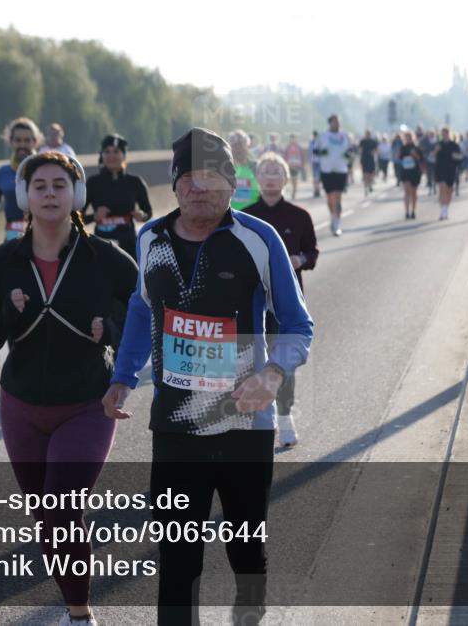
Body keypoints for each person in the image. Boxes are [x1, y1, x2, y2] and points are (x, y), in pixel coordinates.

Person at [102, 127, 313, 626]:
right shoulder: (150, 236)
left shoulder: (258, 239)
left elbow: (297, 322)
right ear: (174, 186)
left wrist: (274, 374)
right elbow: (140, 307)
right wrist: (123, 375)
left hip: (244, 425)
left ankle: (249, 612)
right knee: (177, 563)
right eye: (189, 178)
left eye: (212, 176)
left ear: (232, 182)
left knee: (245, 550)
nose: (200, 188)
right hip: (176, 428)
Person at [0, 151, 137, 626]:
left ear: (77, 195)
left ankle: (80, 615)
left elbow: (144, 308)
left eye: (59, 185)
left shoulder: (105, 257)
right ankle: (73, 600)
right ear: (24, 197)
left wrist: (112, 326)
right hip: (21, 405)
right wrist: (10, 313)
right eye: (38, 185)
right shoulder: (3, 262)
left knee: (64, 511)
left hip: (86, 403)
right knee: (47, 520)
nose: (49, 193)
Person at [243, 152, 318, 447]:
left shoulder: (300, 216)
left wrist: (300, 259)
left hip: (286, 302)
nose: (271, 176)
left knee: (282, 357)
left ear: (286, 178)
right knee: (250, 357)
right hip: (251, 302)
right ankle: (252, 415)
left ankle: (285, 416)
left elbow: (312, 252)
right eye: (265, 171)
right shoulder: (246, 217)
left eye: (277, 171)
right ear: (257, 178)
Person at [83, 134, 153, 259]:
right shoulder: (92, 183)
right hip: (101, 245)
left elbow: (148, 212)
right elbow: (76, 217)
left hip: (129, 245)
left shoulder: (135, 182)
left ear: (124, 155)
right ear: (101, 155)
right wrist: (94, 216)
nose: (111, 156)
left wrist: (142, 216)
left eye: (116, 151)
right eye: (107, 152)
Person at [0, 117, 42, 241]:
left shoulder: (46, 169)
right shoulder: (3, 173)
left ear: (35, 142)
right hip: (13, 234)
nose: (22, 145)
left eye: (27, 140)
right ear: (10, 141)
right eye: (18, 140)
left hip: (44, 235)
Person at [315, 114, 351, 235]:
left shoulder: (345, 136)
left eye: (339, 121)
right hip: (327, 170)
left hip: (341, 170)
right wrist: (321, 155)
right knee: (330, 197)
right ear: (329, 123)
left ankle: (337, 223)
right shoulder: (323, 137)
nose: (337, 124)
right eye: (335, 122)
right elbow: (315, 152)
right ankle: (333, 216)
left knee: (338, 196)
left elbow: (351, 151)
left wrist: (348, 158)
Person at [432, 127, 463, 220]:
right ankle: (442, 211)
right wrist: (436, 150)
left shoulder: (454, 145)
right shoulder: (438, 144)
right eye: (443, 133)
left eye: (446, 133)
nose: (445, 135)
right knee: (442, 189)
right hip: (440, 169)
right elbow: (432, 156)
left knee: (449, 191)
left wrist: (455, 156)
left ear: (449, 134)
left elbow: (460, 157)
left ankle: (446, 209)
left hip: (451, 170)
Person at [228, 129, 260, 210]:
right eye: (234, 144)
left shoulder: (257, 167)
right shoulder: (223, 168)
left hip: (253, 214)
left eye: (240, 144)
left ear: (248, 146)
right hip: (230, 215)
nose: (237, 148)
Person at [397, 131, 424, 219]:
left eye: (410, 137)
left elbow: (421, 159)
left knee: (414, 192)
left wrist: (415, 155)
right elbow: (398, 157)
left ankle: (413, 210)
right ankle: (407, 211)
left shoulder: (416, 148)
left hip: (414, 171)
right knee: (406, 191)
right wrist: (399, 154)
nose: (408, 139)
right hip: (405, 171)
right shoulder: (403, 148)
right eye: (406, 137)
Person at [281, 133, 305, 200]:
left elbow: (302, 156)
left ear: (296, 139)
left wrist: (302, 164)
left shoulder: (298, 147)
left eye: (294, 138)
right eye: (291, 138)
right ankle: (285, 193)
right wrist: (284, 164)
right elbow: (284, 156)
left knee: (295, 181)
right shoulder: (287, 147)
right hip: (289, 166)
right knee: (287, 181)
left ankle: (293, 194)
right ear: (290, 139)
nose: (292, 140)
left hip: (296, 166)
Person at [358, 130, 379, 196]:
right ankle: (366, 187)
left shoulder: (373, 141)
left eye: (368, 134)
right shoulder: (362, 141)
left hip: (371, 159)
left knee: (372, 173)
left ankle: (370, 184)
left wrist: (373, 152)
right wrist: (360, 158)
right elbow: (360, 150)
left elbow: (376, 150)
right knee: (365, 173)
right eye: (366, 134)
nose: (367, 135)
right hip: (364, 159)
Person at [422, 129, 438, 196]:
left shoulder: (437, 141)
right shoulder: (426, 141)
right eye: (430, 134)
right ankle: (430, 187)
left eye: (432, 134)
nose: (431, 135)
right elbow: (422, 148)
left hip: (435, 160)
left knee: (435, 174)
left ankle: (434, 186)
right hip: (428, 159)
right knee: (429, 174)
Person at [308, 130, 321, 198]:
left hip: (319, 162)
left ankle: (317, 190)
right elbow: (310, 152)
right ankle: (316, 190)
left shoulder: (319, 142)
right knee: (315, 177)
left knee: (317, 177)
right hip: (314, 161)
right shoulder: (311, 142)